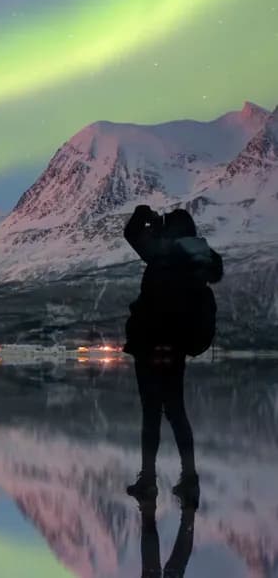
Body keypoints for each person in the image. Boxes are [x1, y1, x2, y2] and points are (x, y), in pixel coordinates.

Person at [123, 204, 223, 502]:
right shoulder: (200, 261)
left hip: (149, 343)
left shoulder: (162, 252)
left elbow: (131, 233)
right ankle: (190, 480)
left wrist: (144, 214)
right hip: (177, 347)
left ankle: (148, 481)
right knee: (177, 412)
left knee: (151, 414)